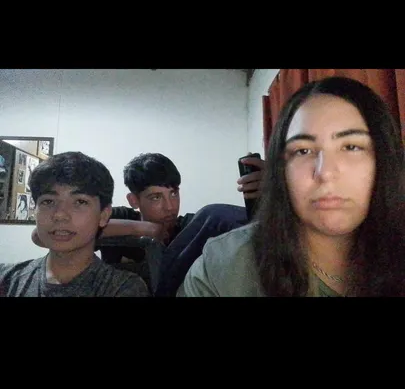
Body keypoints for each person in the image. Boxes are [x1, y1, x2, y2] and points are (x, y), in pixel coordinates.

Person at [178, 77, 405, 297]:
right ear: (280, 170)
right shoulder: (223, 269)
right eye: (303, 151)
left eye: (351, 147)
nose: (325, 172)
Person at [32, 152, 265, 295]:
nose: (169, 206)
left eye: (173, 193)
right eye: (155, 197)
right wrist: (141, 228)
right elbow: (39, 236)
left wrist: (273, 192)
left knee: (214, 216)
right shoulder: (121, 216)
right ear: (134, 200)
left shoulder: (191, 227)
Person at [0, 151, 149, 297]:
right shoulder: (7, 278)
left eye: (80, 202)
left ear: (103, 215)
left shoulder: (123, 288)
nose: (59, 214)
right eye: (48, 201)